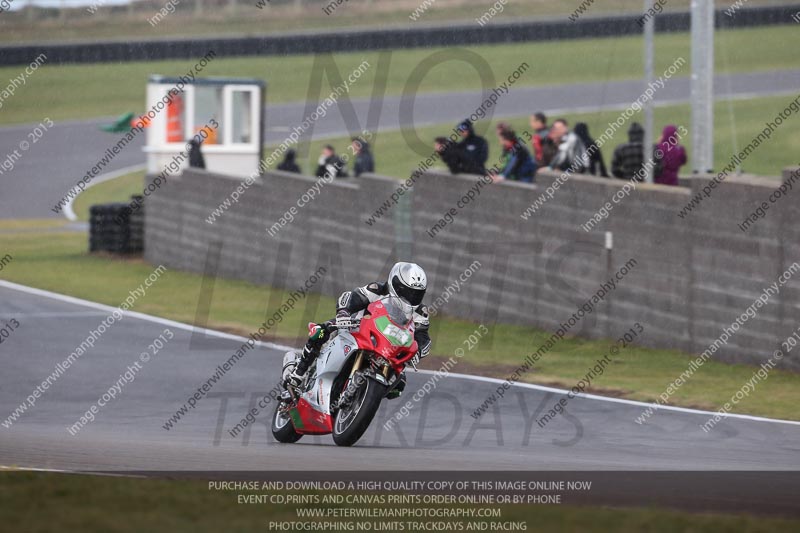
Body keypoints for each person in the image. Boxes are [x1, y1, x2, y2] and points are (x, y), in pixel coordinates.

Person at [284, 262, 432, 400]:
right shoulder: (378, 290)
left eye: (416, 294)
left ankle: (360, 398)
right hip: (355, 328)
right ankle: (298, 374)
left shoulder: (420, 313)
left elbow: (423, 337)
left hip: (388, 346)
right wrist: (344, 313)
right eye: (407, 292)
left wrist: (417, 352)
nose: (411, 297)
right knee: (321, 331)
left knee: (399, 384)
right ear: (396, 285)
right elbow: (352, 297)